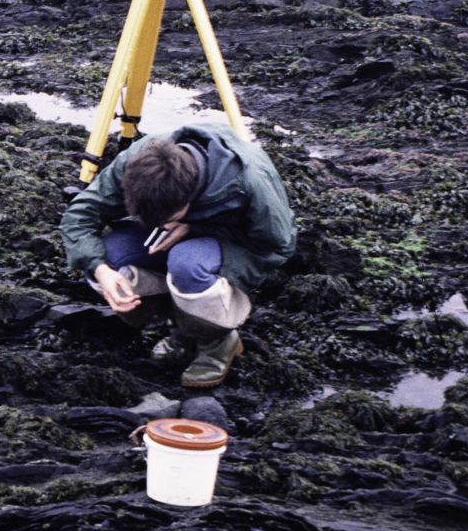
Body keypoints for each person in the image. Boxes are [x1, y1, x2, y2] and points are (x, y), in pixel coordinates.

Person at [59, 123, 295, 387]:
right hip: (181, 233)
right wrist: (99, 269)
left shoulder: (249, 179)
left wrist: (196, 226)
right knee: (110, 257)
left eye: (170, 219)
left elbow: (278, 244)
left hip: (232, 242)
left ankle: (217, 340)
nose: (164, 225)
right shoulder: (138, 162)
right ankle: (181, 328)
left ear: (189, 199)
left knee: (186, 262)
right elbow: (79, 215)